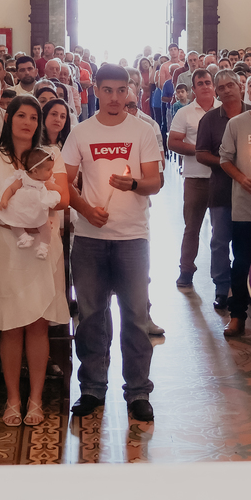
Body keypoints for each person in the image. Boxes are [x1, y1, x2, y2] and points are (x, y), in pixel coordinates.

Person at [62, 63, 162, 423]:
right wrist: (86, 210)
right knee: (91, 316)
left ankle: (138, 391)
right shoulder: (81, 132)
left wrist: (133, 184)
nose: (115, 98)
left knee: (135, 316)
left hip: (132, 237)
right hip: (90, 239)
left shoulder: (142, 131)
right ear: (96, 91)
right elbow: (64, 182)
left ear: (129, 91)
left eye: (122, 91)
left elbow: (155, 181)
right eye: (108, 90)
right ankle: (92, 387)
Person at [0, 98, 70, 426]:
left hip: (41, 247)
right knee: (11, 326)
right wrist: (12, 222)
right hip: (7, 246)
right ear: (9, 119)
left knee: (38, 325)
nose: (27, 122)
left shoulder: (50, 154)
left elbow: (64, 198)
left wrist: (36, 205)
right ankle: (13, 399)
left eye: (33, 117)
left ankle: (36, 399)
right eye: (21, 116)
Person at [195, 70, 248, 310]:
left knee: (248, 242)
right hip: (222, 190)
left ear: (240, 86)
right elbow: (201, 153)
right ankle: (221, 288)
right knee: (219, 241)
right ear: (216, 92)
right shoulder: (210, 120)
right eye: (222, 87)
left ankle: (247, 288)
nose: (227, 90)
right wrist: (227, 164)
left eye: (230, 85)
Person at [219, 75, 251, 337]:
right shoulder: (237, 124)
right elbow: (225, 159)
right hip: (245, 207)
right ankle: (237, 315)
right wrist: (241, 177)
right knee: (242, 262)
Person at [168, 68, 217, 288]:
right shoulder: (185, 113)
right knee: (192, 228)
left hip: (221, 177)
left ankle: (221, 274)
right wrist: (201, 151)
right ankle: (186, 270)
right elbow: (173, 142)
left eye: (208, 82)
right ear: (193, 89)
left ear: (213, 85)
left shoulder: (223, 109)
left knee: (221, 230)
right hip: (196, 178)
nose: (205, 86)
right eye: (200, 83)